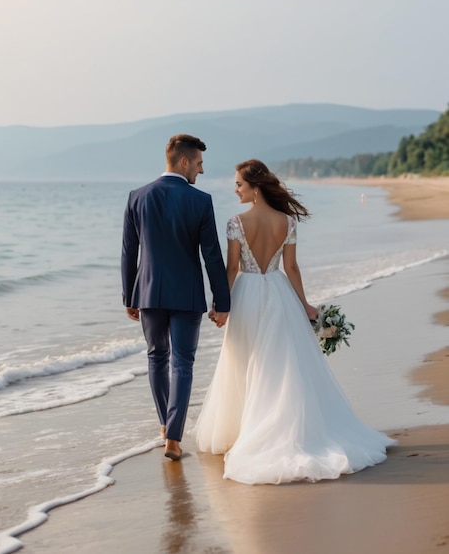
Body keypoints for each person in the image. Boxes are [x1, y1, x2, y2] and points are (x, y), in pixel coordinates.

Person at [195, 159, 396, 484]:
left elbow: (232, 269)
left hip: (246, 295)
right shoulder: (287, 222)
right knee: (280, 365)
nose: (235, 190)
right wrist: (303, 305)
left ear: (255, 189)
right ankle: (278, 427)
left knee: (244, 362)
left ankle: (246, 431)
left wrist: (222, 306)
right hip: (278, 294)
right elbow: (292, 268)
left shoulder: (235, 223)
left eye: (239, 185)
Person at [121, 134, 230, 461]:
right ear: (184, 162)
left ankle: (166, 428)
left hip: (149, 292)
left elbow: (129, 252)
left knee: (157, 358)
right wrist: (222, 302)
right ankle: (174, 438)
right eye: (198, 163)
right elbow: (212, 256)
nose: (201, 170)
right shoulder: (200, 201)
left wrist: (129, 295)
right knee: (183, 362)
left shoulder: (137, 197)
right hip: (187, 295)